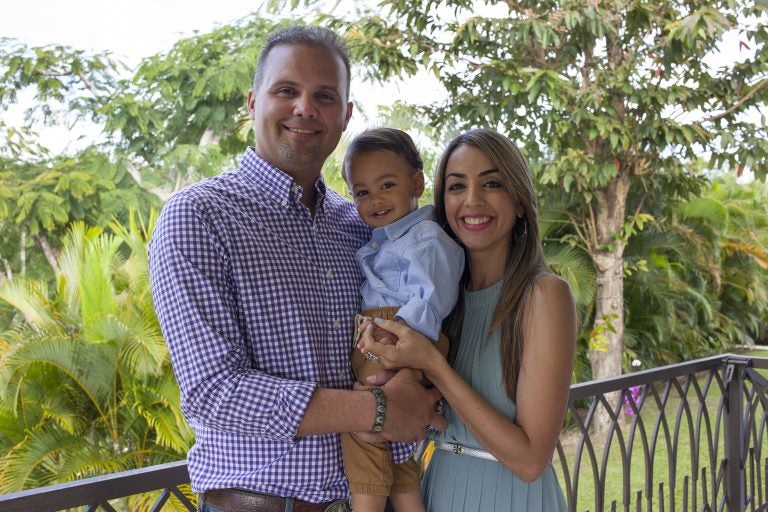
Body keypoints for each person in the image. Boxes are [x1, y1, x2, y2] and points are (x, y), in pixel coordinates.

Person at [148, 25, 446, 512]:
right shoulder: (200, 216)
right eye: (286, 90)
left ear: (345, 116)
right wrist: (377, 410)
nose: (305, 108)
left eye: (324, 95)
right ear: (252, 101)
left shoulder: (361, 225)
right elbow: (213, 392)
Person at [357, 128, 576, 511]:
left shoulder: (544, 295)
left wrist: (433, 364)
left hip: (509, 497)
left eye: (491, 183)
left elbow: (529, 461)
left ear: (520, 201)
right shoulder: (441, 300)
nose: (472, 201)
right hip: (437, 489)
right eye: (457, 187)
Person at [340, 128, 464, 512]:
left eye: (387, 185)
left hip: (398, 336)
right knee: (395, 444)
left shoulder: (425, 239)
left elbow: (430, 299)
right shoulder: (390, 237)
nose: (374, 200)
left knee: (364, 429)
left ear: (417, 182)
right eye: (361, 192)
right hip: (387, 335)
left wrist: (401, 359)